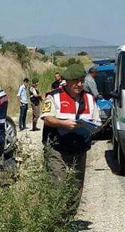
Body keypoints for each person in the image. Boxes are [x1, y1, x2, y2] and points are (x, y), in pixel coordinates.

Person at [40, 64, 101, 204]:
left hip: (79, 148)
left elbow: (97, 121)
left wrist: (93, 128)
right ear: (67, 81)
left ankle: (69, 218)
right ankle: (57, 221)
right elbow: (47, 118)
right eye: (76, 81)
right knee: (57, 185)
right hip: (57, 148)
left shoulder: (90, 99)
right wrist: (63, 123)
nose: (79, 84)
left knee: (76, 186)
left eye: (82, 81)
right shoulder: (53, 96)